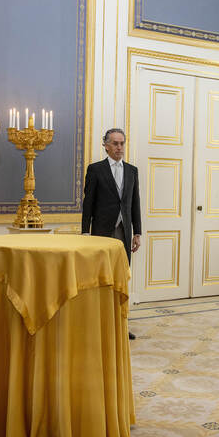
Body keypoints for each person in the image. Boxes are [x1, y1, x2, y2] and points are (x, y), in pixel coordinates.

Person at [81, 128, 142, 340]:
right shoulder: (95, 170)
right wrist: (85, 232)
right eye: (115, 143)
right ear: (105, 146)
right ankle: (99, 326)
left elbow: (135, 203)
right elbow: (88, 203)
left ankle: (121, 325)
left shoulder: (132, 171)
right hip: (102, 233)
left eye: (122, 143)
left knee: (121, 279)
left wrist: (137, 232)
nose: (119, 147)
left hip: (124, 233)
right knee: (103, 279)